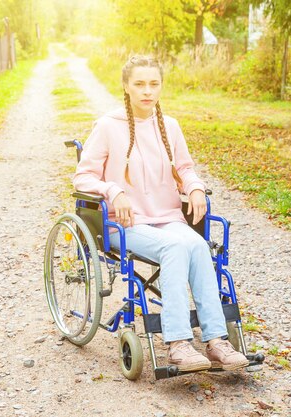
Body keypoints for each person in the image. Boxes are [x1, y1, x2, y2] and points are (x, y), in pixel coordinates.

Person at [73, 55, 249, 372]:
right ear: (126, 87)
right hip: (122, 223)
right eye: (139, 84)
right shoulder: (108, 126)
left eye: (154, 84)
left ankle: (215, 339)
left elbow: (185, 169)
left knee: (197, 245)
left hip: (167, 218)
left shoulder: (170, 126)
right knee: (176, 246)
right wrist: (115, 191)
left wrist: (194, 187)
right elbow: (83, 177)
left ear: (161, 86)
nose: (147, 91)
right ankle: (179, 344)